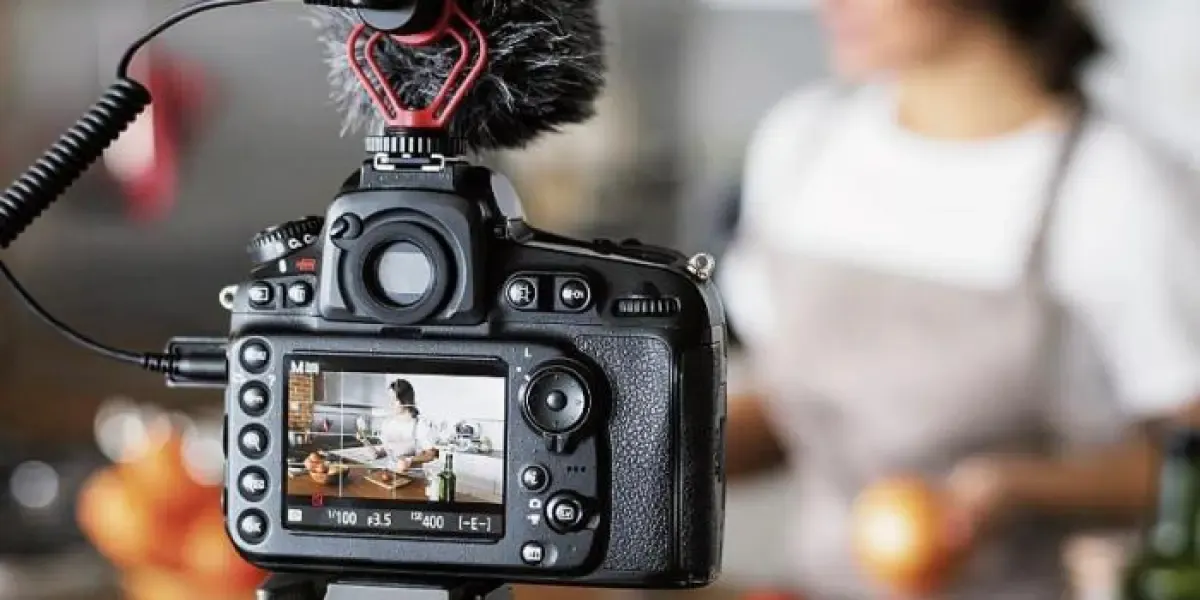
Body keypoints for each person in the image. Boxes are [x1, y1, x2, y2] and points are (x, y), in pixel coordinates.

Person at [722, 0, 1200, 598]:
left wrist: (1020, 488)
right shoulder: (804, 141)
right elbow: (787, 407)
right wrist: (652, 449)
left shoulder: (1119, 189)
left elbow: (1186, 463)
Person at [376, 379, 439, 472]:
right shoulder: (388, 423)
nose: (391, 404)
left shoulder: (420, 424)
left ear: (406, 401)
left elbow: (431, 454)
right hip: (390, 475)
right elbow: (385, 451)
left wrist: (409, 461)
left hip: (414, 477)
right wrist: (366, 442)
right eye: (390, 400)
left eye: (394, 400)